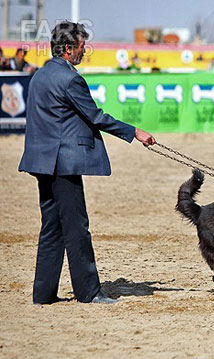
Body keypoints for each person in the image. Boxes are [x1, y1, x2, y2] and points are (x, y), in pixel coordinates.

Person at [18, 21, 156, 304]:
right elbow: (96, 116)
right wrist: (134, 132)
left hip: (42, 162)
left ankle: (43, 294)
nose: (84, 52)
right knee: (77, 227)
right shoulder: (70, 79)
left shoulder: (39, 76)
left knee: (52, 227)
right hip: (63, 163)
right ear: (68, 48)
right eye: (81, 47)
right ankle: (89, 292)